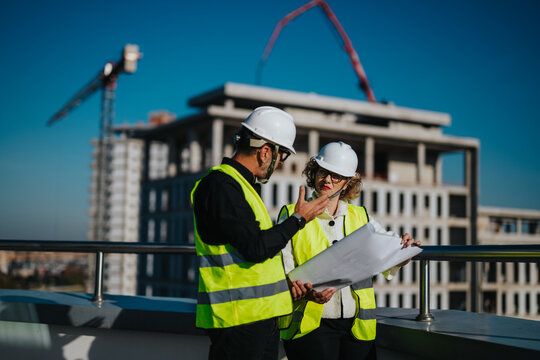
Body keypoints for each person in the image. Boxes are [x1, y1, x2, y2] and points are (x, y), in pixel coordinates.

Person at [190, 106, 329, 360]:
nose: (279, 165)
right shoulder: (222, 185)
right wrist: (299, 219)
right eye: (282, 157)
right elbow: (256, 248)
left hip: (257, 318)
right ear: (266, 152)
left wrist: (285, 284)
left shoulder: (240, 186)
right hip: (238, 321)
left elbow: (253, 254)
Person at [278, 141, 420, 360]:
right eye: (323, 172)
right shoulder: (292, 214)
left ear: (347, 183)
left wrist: (404, 251)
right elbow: (282, 269)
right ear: (314, 172)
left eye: (336, 176)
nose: (327, 180)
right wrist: (304, 291)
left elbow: (387, 257)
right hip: (309, 325)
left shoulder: (361, 217)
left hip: (356, 327)